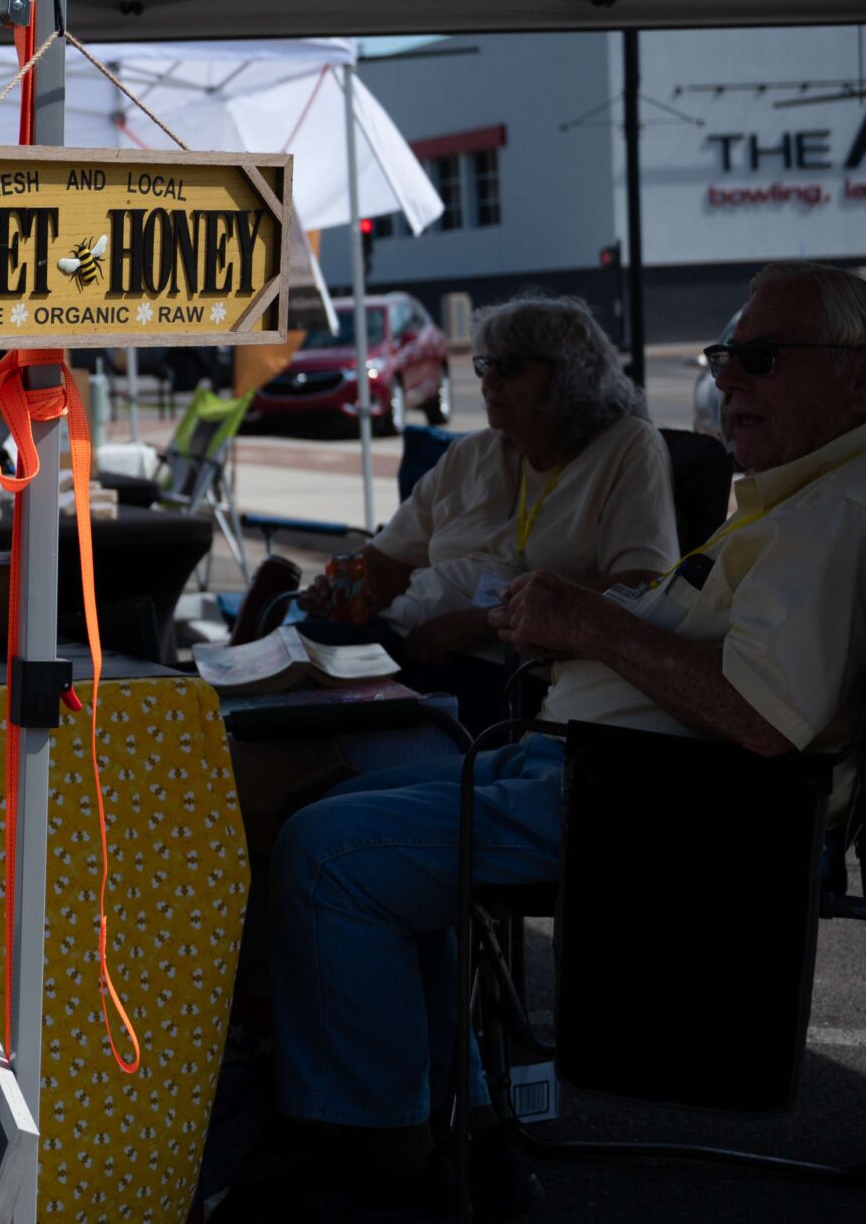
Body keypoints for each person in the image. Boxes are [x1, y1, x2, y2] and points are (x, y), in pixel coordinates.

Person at [251, 262, 866, 1218]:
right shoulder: (796, 494)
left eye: (759, 356)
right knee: (329, 811)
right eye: (723, 356)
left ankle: (382, 1156)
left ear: (857, 372)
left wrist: (589, 623)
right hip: (576, 752)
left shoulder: (837, 511)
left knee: (324, 858)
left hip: (653, 799)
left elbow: (763, 716)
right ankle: (451, 1108)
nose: (728, 378)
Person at [241, 295, 677, 731]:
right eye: (484, 366)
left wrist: (481, 624)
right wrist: (343, 593)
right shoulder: (472, 453)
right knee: (288, 655)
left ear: (571, 374)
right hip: (409, 642)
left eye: (510, 368)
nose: (489, 383)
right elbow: (385, 564)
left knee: (295, 707)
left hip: (512, 673)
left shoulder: (627, 447)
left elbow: (642, 587)